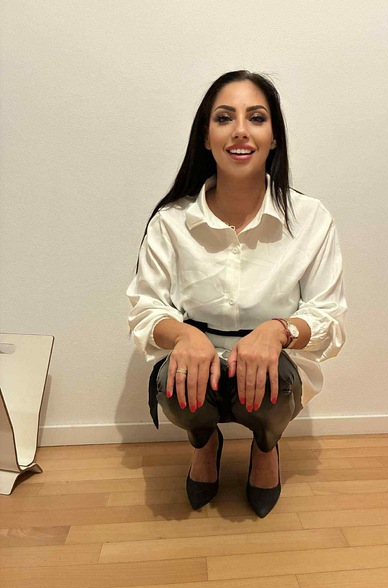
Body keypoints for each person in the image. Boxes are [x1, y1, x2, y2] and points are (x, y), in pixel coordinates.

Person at [127, 70, 347, 518]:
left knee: (269, 381)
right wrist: (184, 336)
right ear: (206, 137)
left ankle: (266, 446)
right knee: (176, 381)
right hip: (197, 365)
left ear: (274, 137)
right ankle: (204, 442)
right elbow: (146, 308)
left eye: (257, 118)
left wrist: (280, 330)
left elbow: (328, 315)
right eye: (225, 118)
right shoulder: (171, 221)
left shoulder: (311, 218)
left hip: (274, 370)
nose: (240, 131)